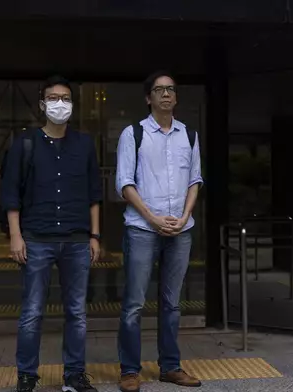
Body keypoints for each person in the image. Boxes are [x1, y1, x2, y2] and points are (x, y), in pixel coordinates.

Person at [0, 75, 102, 392]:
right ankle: (27, 375)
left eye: (66, 98)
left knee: (77, 312)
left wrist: (95, 236)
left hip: (76, 240)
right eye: (54, 98)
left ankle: (74, 375)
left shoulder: (84, 144)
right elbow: (10, 193)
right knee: (32, 312)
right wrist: (16, 236)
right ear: (43, 104)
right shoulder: (25, 143)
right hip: (36, 238)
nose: (61, 103)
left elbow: (93, 194)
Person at [115, 71, 203, 392]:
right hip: (142, 229)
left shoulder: (189, 136)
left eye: (170, 90)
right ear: (148, 98)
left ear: (176, 98)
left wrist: (184, 216)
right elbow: (125, 184)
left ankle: (170, 367)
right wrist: (153, 218)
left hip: (181, 231)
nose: (166, 94)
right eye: (158, 90)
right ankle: (129, 370)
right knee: (135, 303)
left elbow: (195, 181)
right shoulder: (133, 134)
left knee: (172, 303)